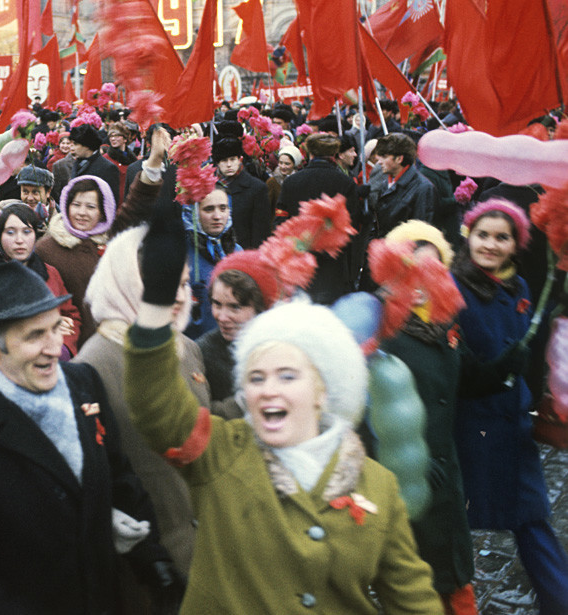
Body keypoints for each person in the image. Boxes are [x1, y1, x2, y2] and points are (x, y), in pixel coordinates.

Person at [123, 203, 442, 612]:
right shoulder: (220, 452)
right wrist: (153, 308)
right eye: (256, 378)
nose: (268, 390)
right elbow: (157, 409)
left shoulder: (378, 487)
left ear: (323, 390)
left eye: (287, 376)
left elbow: (413, 599)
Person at [0, 261, 184, 614]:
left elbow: (119, 477)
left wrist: (151, 556)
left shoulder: (84, 383)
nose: (54, 347)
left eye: (56, 328)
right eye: (35, 335)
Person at [452, 199, 568, 615]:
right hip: (470, 430)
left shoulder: (518, 287)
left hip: (513, 425)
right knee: (455, 527)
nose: (491, 245)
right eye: (483, 234)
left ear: (515, 244)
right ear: (470, 236)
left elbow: (530, 345)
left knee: (533, 516)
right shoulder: (452, 286)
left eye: (502, 237)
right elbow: (456, 363)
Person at [77, 223, 202, 588]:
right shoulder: (95, 363)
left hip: (206, 543)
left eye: (182, 284)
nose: (178, 296)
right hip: (148, 559)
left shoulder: (187, 347)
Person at [379, 221, 477, 614]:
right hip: (409, 483)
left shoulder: (445, 323)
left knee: (455, 575)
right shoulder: (383, 331)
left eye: (432, 269)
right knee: (418, 582)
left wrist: (509, 364)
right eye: (411, 267)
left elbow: (469, 379)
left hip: (447, 476)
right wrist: (410, 466)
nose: (422, 278)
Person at [0, 202, 80, 358]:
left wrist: (63, 348)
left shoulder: (50, 273)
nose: (19, 240)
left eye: (26, 232)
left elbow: (71, 317)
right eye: (10, 232)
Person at [279, 132, 363, 304]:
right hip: (333, 264)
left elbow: (280, 220)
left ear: (310, 153)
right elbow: (353, 225)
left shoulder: (291, 182)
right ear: (334, 154)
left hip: (298, 259)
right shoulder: (345, 183)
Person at [35, 174, 117, 347]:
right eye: (76, 205)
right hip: (69, 342)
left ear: (103, 210)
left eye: (90, 207)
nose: (82, 213)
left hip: (111, 341)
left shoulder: (114, 244)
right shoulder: (46, 248)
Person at [196, 250, 277, 410]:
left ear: (261, 309)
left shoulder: (283, 349)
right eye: (217, 304)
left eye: (235, 307)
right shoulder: (204, 353)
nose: (222, 317)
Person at [183, 186, 241, 339]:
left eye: (223, 208)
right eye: (209, 209)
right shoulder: (181, 253)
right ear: (194, 212)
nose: (217, 216)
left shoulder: (238, 252)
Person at [367, 133, 437, 240]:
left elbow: (421, 234)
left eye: (384, 157)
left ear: (399, 159)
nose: (379, 161)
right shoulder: (386, 183)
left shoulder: (423, 188)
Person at [213, 137, 273, 249]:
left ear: (239, 159)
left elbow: (261, 232)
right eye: (224, 160)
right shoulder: (209, 187)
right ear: (217, 163)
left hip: (243, 253)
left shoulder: (257, 188)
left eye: (232, 159)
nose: (229, 165)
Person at [68, 123, 120, 204]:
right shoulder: (78, 163)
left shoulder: (108, 168)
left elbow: (111, 203)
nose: (71, 148)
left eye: (75, 144)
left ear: (87, 146)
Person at [266, 144, 301, 224]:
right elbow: (266, 206)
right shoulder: (273, 181)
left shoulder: (299, 180)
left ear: (294, 164)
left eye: (287, 164)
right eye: (281, 163)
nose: (283, 166)